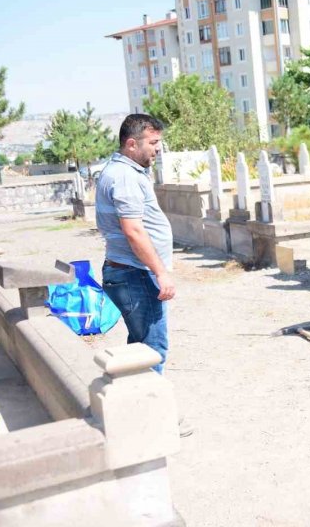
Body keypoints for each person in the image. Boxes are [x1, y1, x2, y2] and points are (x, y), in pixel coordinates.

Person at [96, 114, 191, 437]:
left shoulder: (122, 171)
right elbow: (134, 230)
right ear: (131, 144)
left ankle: (135, 414)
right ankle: (152, 423)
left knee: (139, 349)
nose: (158, 149)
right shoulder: (124, 176)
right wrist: (160, 272)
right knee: (152, 350)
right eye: (153, 143)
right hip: (135, 274)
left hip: (128, 271)